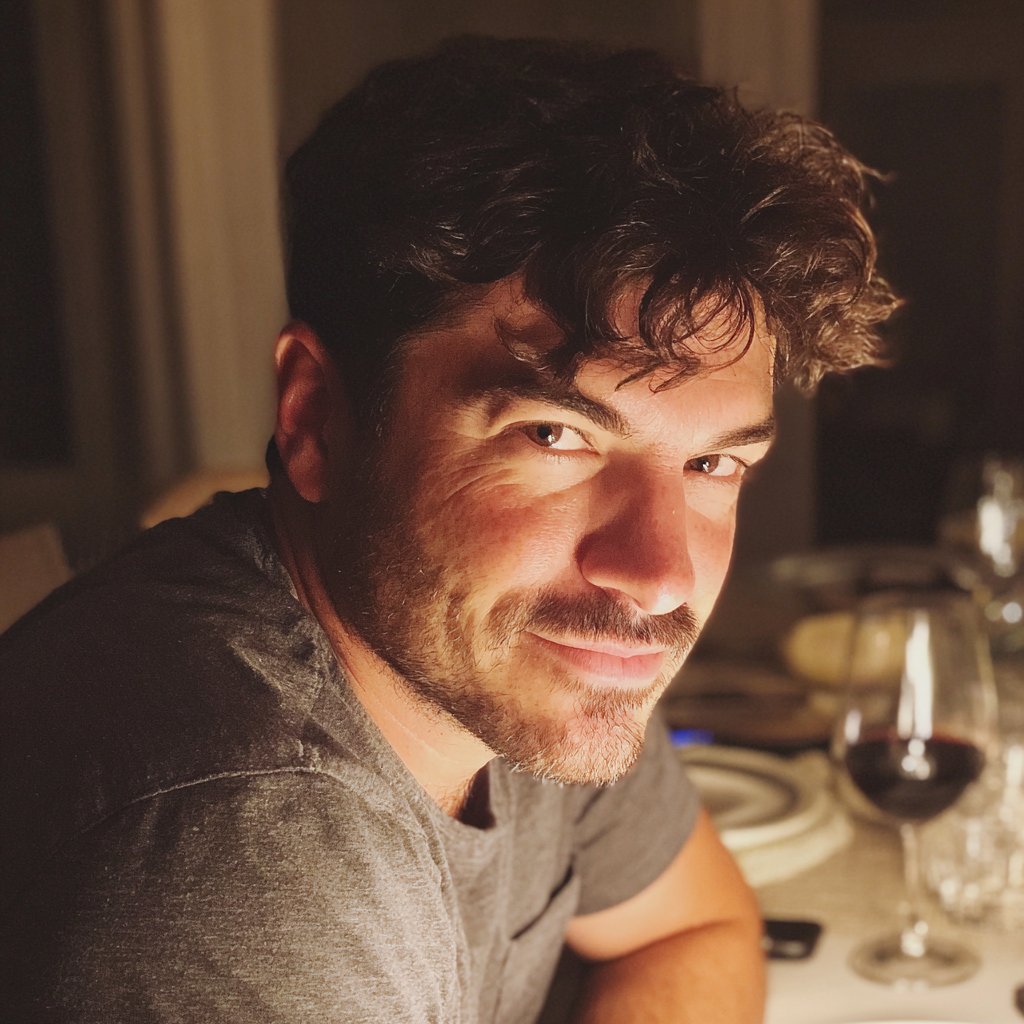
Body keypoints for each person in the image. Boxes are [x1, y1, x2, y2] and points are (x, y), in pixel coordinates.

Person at [0, 36, 897, 1023]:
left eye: (712, 463)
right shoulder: (234, 878)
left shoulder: (507, 660)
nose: (657, 574)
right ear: (316, 419)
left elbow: (693, 928)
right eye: (555, 434)